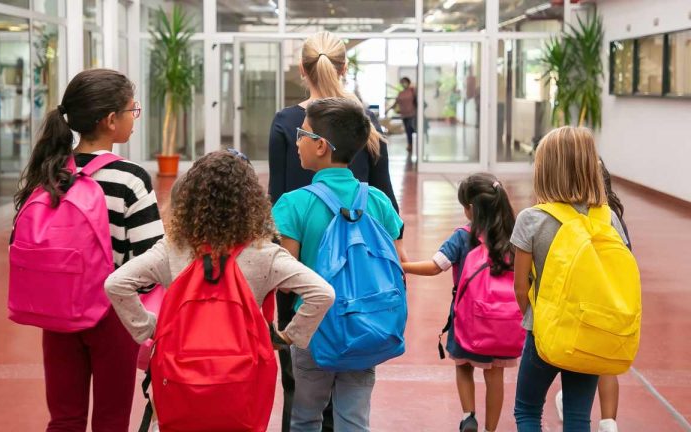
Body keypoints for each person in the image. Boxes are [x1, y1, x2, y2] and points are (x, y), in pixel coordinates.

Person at [104, 150, 336, 427]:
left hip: (179, 379)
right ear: (250, 202)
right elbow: (322, 293)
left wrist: (150, 329)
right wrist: (289, 337)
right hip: (241, 382)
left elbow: (116, 284)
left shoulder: (172, 250)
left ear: (190, 199)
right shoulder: (264, 254)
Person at [13, 69, 164, 432]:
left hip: (57, 313)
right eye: (132, 110)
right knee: (111, 420)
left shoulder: (49, 171)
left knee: (64, 419)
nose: (134, 118)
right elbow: (151, 261)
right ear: (111, 120)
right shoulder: (130, 178)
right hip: (112, 316)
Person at [268, 30, 402, 432]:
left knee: (302, 396)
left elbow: (276, 196)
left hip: (304, 283)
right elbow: (388, 206)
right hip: (361, 296)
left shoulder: (288, 124)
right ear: (344, 68)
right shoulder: (364, 124)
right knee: (353, 404)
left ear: (302, 69)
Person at [511, 127, 630, 432]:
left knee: (527, 409)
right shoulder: (608, 218)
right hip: (590, 331)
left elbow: (520, 286)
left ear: (545, 170)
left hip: (544, 331)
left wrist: (534, 318)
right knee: (578, 416)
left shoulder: (531, 219)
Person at [402, 173, 518, 432]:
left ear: (471, 209)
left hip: (469, 319)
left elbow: (435, 267)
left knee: (463, 365)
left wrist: (403, 266)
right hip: (503, 323)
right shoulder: (512, 237)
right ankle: (490, 429)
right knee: (495, 375)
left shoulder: (463, 237)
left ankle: (469, 416)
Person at [554, 157, 631, 432]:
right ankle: (609, 421)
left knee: (577, 359)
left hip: (581, 303)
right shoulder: (613, 217)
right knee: (606, 364)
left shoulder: (571, 216)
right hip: (611, 301)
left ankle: (571, 403)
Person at [386, 77, 417, 153]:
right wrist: (388, 110)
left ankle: (411, 144)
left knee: (410, 129)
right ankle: (410, 144)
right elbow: (395, 103)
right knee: (408, 130)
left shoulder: (412, 91)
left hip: (412, 114)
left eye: (405, 82)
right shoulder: (401, 93)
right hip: (404, 115)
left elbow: (417, 101)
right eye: (402, 82)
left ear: (408, 82)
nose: (403, 84)